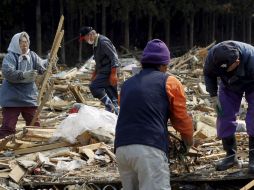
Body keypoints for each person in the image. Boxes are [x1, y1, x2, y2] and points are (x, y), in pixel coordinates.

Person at [114, 39, 193, 190]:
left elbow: (128, 110)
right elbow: (181, 119)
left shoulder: (127, 85)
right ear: (164, 65)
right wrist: (188, 142)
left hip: (122, 149)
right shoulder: (170, 82)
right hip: (149, 149)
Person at [204, 40, 254, 173]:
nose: (225, 71)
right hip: (229, 85)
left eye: (228, 68)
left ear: (237, 61)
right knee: (224, 115)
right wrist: (213, 95)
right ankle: (230, 156)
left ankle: (253, 158)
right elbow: (208, 75)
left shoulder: (252, 57)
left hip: (252, 82)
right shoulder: (212, 57)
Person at [0, 32, 48, 139]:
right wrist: (23, 75)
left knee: (34, 125)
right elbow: (8, 72)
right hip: (12, 97)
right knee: (8, 127)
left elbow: (41, 67)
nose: (24, 45)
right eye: (21, 42)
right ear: (16, 44)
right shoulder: (10, 56)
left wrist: (48, 65)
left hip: (28, 96)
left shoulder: (32, 55)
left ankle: (34, 144)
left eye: (26, 42)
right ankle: (4, 148)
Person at [79, 26, 119, 115]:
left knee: (94, 86)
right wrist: (94, 73)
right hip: (104, 70)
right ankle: (115, 114)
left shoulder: (103, 42)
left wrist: (113, 73)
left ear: (90, 35)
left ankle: (110, 106)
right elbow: (98, 61)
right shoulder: (96, 44)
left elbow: (114, 57)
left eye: (85, 38)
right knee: (111, 93)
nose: (85, 41)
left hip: (109, 70)